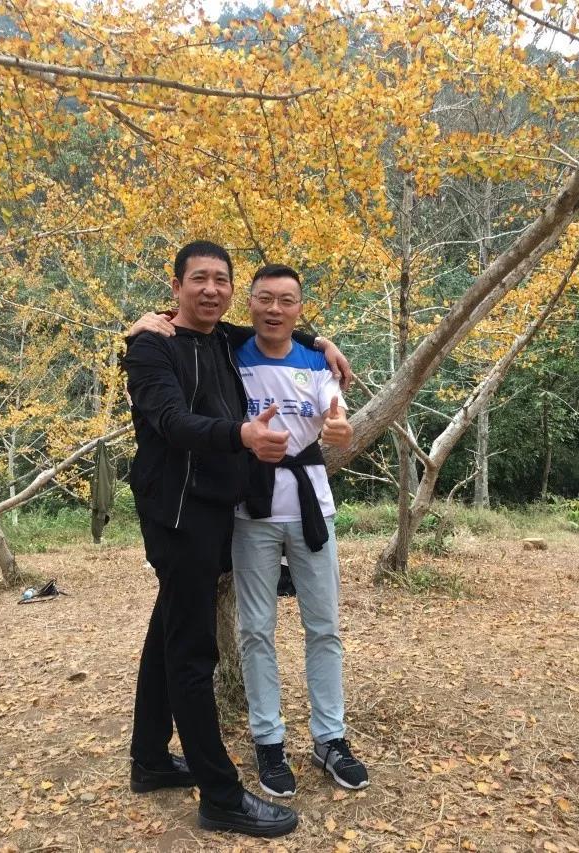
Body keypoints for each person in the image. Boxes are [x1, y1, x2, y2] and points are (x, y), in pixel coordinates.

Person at [123, 242, 350, 838]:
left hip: (214, 508)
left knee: (167, 629)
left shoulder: (221, 338)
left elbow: (275, 327)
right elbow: (171, 421)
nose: (210, 290)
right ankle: (220, 794)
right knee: (193, 651)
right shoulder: (152, 347)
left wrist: (322, 343)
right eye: (198, 279)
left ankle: (149, 759)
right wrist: (242, 435)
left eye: (220, 280)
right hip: (179, 512)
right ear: (176, 286)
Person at [232, 264, 369, 797]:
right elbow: (194, 326)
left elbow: (338, 421)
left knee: (324, 626)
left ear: (299, 308)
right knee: (255, 629)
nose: (275, 309)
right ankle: (268, 741)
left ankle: (330, 738)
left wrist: (340, 429)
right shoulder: (230, 354)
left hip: (313, 508)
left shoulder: (317, 362)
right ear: (249, 302)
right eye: (265, 298)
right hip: (252, 511)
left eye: (286, 300)